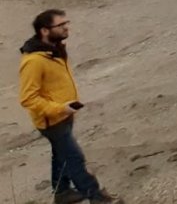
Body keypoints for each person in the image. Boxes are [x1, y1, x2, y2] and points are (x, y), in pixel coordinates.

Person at [19, 10, 121, 203]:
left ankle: (62, 192)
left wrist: (66, 108)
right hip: (52, 120)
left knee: (61, 154)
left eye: (67, 23)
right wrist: (60, 109)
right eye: (61, 25)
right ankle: (97, 196)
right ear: (44, 31)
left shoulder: (54, 50)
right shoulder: (33, 61)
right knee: (75, 158)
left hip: (65, 114)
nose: (67, 27)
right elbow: (28, 98)